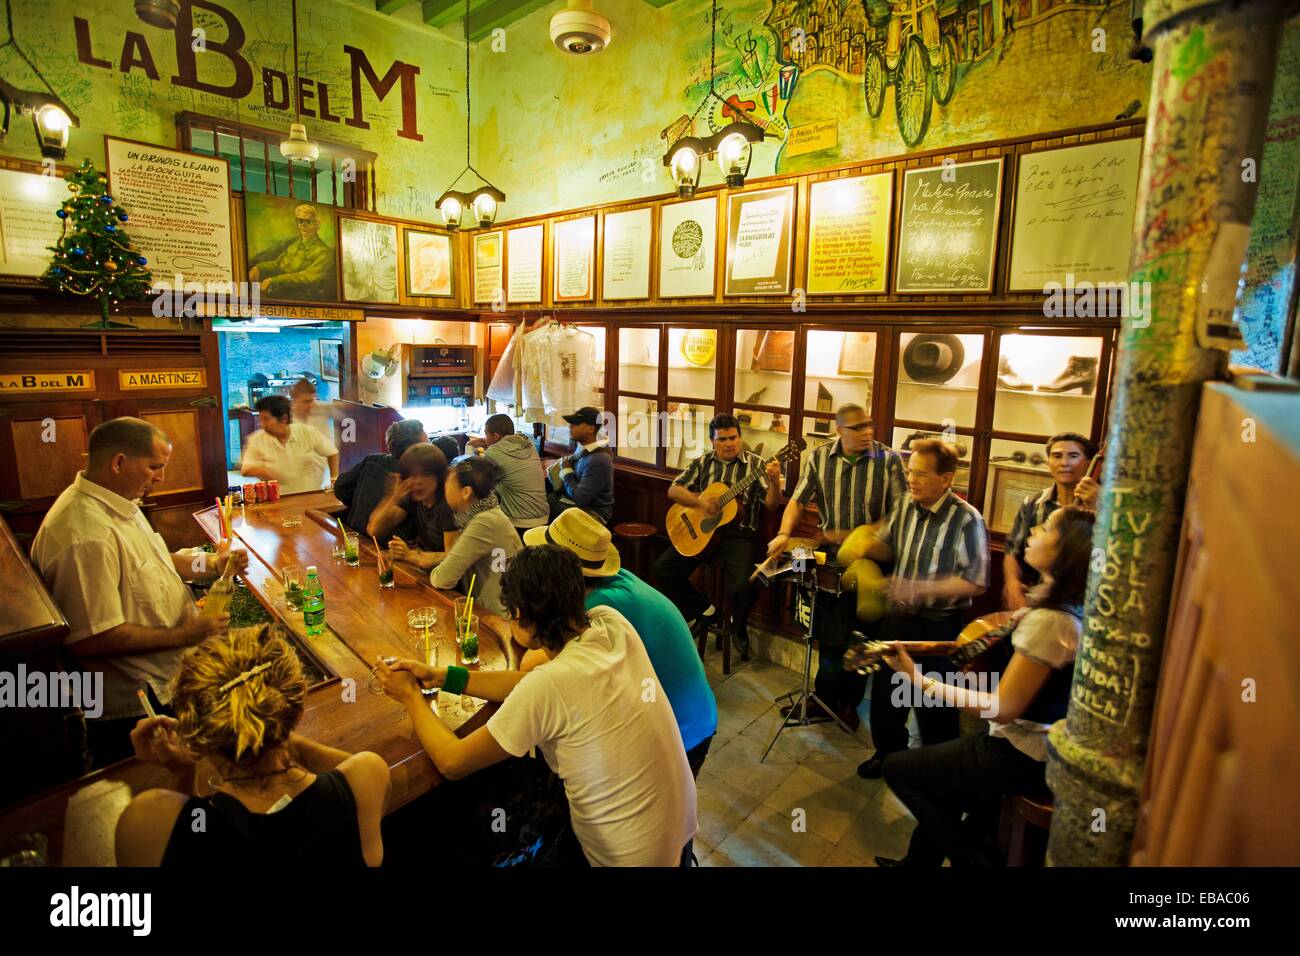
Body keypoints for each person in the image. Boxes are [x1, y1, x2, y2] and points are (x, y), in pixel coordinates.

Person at [374, 545, 697, 866]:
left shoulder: (549, 686)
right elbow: (528, 686)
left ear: (520, 619)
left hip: (625, 857)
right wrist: (444, 676)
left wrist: (410, 697)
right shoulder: (611, 623)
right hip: (677, 832)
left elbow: (453, 762)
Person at [874, 506, 1095, 867]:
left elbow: (1003, 707)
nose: (1033, 531)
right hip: (1027, 744)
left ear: (1065, 551)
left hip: (1020, 752)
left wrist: (919, 681)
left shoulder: (1051, 622)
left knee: (899, 769)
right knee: (944, 783)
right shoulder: (1055, 604)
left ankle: (973, 860)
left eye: (1046, 528)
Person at [30, 417, 247, 767]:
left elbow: (157, 561)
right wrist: (185, 634)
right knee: (153, 792)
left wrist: (211, 565)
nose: (160, 477)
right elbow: (93, 637)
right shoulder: (84, 534)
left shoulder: (119, 501)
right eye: (155, 467)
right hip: (134, 705)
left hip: (167, 681)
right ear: (118, 462)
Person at [114, 625, 391, 866]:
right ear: (298, 705)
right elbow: (346, 772)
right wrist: (274, 728)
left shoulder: (145, 819)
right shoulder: (367, 777)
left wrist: (182, 773)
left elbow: (185, 834)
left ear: (197, 731)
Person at [522, 508, 718, 776]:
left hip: (682, 731)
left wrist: (523, 611)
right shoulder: (615, 580)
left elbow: (531, 663)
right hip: (690, 715)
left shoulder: (601, 603)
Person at [764, 404, 906, 728]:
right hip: (830, 557)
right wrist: (785, 533)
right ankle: (823, 698)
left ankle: (849, 704)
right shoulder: (819, 457)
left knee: (859, 636)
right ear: (840, 430)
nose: (867, 432)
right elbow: (798, 500)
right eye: (857, 428)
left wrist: (851, 535)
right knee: (828, 635)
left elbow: (900, 515)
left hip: (871, 557)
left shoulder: (889, 461)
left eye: (869, 425)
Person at [853, 439, 989, 778]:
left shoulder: (967, 519)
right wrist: (863, 547)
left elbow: (976, 581)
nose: (911, 480)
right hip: (898, 620)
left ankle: (935, 774)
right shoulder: (905, 506)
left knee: (934, 707)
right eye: (909, 472)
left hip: (938, 628)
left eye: (921, 475)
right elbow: (886, 546)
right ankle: (888, 757)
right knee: (886, 699)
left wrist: (920, 588)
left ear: (946, 479)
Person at [653, 414, 782, 659]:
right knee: (662, 570)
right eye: (722, 439)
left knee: (745, 583)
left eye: (733, 437)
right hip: (704, 535)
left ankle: (739, 626)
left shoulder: (755, 466)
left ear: (739, 437)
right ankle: (705, 609)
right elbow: (674, 490)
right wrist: (701, 503)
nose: (729, 443)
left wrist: (775, 483)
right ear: (712, 441)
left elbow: (772, 505)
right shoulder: (702, 463)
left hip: (739, 535)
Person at [388, 457, 522, 616]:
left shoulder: (484, 522)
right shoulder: (489, 515)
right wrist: (414, 556)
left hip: (497, 616)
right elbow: (456, 557)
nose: (444, 487)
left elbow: (442, 579)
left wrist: (417, 557)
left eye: (449, 481)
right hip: (499, 609)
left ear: (466, 492)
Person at [1003, 432, 1100, 610]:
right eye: (1057, 456)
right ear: (1048, 463)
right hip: (1038, 598)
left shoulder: (1103, 504)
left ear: (1088, 463)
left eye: (1073, 456)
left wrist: (1099, 508)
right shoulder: (1033, 503)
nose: (1064, 463)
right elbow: (1012, 549)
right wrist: (1012, 584)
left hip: (1078, 605)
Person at [334, 418, 428, 541]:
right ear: (415, 450)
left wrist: (360, 505)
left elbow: (340, 488)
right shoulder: (415, 480)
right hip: (385, 550)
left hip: (353, 537)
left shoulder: (372, 460)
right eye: (428, 443)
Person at [366, 444, 458, 552]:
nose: (418, 481)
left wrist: (411, 556)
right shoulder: (413, 497)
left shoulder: (448, 504)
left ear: (439, 476)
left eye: (427, 474)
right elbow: (374, 530)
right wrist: (393, 497)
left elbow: (452, 556)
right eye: (412, 475)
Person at [240, 395, 339, 495]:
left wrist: (334, 479)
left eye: (266, 419)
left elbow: (332, 452)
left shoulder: (307, 433)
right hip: (276, 500)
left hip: (309, 496)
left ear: (284, 418)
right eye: (260, 419)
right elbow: (246, 469)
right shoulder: (256, 439)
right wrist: (267, 471)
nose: (261, 424)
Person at [468, 413, 548, 536]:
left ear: (495, 436)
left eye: (486, 434)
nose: (485, 438)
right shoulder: (528, 444)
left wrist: (468, 446)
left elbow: (478, 482)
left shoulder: (494, 452)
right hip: (544, 518)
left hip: (521, 522)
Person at [248, 202, 336, 300]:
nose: (303, 225)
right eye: (300, 221)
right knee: (250, 295)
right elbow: (277, 263)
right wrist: (259, 268)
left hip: (299, 296)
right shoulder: (294, 244)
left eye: (308, 221)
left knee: (257, 299)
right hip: (279, 287)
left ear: (317, 225)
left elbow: (308, 277)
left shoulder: (323, 251)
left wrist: (273, 281)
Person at [547, 406, 614, 524]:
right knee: (540, 500)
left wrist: (566, 471)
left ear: (590, 429)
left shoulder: (599, 459)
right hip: (579, 505)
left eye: (576, 424)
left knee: (541, 504)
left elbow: (579, 499)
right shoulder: (585, 448)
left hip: (594, 513)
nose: (570, 426)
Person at [290, 376, 335, 448]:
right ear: (295, 400)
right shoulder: (288, 421)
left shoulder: (319, 409)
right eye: (305, 402)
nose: (310, 405)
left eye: (312, 400)